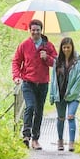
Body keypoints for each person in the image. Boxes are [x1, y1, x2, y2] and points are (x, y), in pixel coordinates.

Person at [12, 19, 57, 150]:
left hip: (42, 83)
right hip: (28, 81)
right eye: (33, 30)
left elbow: (56, 62)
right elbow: (16, 61)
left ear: (41, 31)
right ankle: (26, 136)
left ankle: (35, 139)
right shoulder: (24, 45)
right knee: (30, 107)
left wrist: (47, 57)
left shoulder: (48, 46)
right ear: (29, 31)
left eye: (38, 30)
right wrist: (16, 76)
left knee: (39, 111)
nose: (35, 32)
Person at [49, 36, 80, 151]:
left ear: (72, 47)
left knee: (71, 116)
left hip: (73, 94)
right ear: (61, 48)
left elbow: (79, 79)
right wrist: (52, 95)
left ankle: (72, 142)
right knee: (61, 118)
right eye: (64, 47)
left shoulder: (78, 61)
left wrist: (72, 93)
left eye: (68, 47)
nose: (66, 50)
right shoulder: (57, 61)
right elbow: (53, 79)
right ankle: (60, 141)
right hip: (60, 93)